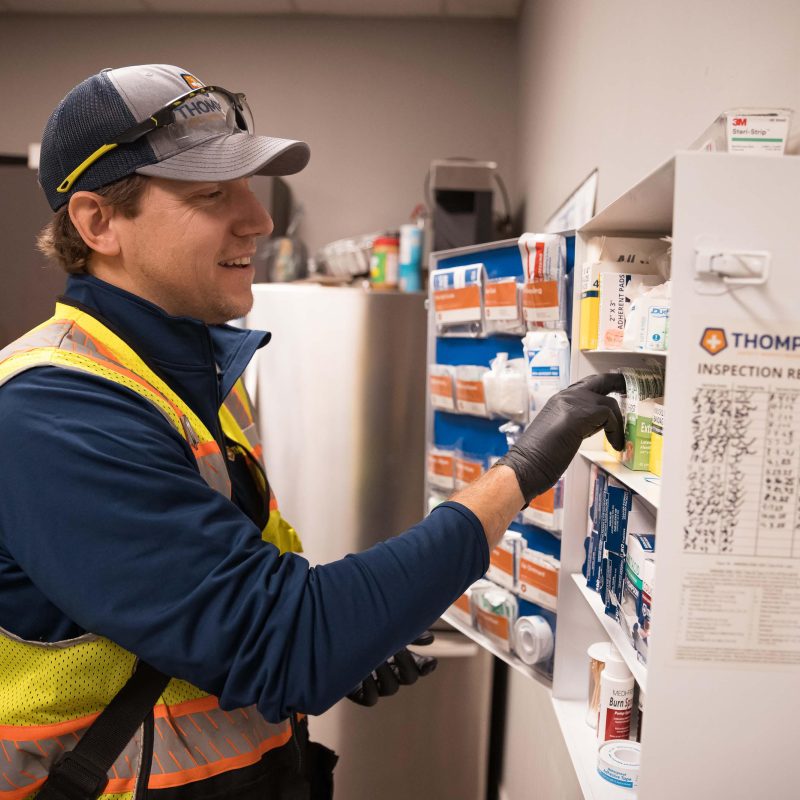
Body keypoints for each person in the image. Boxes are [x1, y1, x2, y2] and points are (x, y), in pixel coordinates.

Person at [0, 64, 625, 800]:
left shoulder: (189, 380)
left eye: (248, 188)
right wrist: (516, 473)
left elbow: (244, 604)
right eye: (212, 194)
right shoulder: (53, 412)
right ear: (98, 222)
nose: (259, 220)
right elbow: (289, 639)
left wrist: (352, 643)